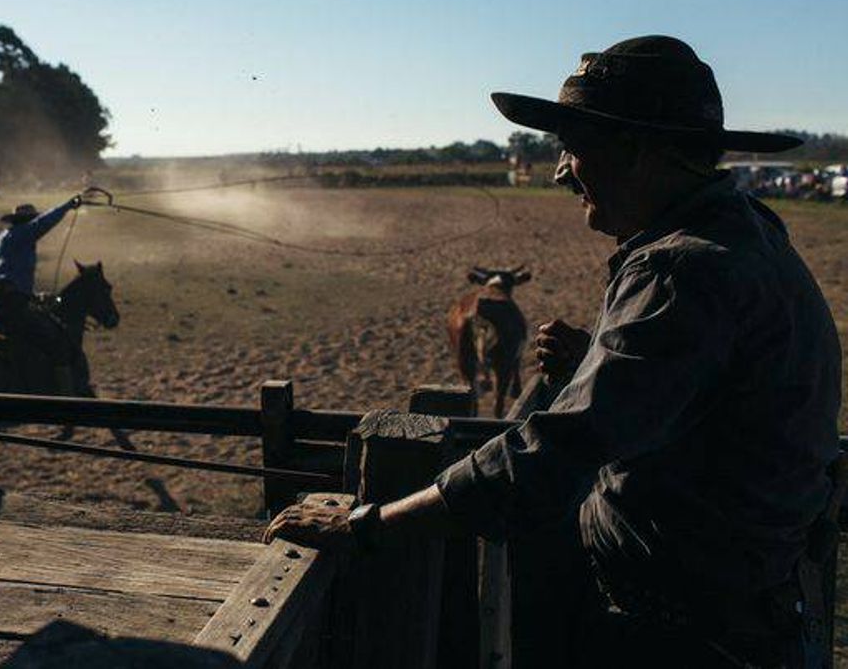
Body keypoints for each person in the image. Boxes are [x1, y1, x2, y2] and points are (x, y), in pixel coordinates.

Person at [266, 36, 841, 667]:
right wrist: (602, 361)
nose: (563, 171)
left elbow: (553, 456)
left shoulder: (680, 271)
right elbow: (709, 398)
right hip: (742, 612)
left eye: (573, 146)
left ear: (637, 150)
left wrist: (368, 525)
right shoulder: (742, 231)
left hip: (679, 638)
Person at [0, 195, 83, 393]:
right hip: (12, 304)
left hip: (0, 302)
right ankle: (67, 400)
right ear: (27, 222)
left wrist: (33, 297)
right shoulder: (24, 233)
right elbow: (44, 222)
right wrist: (68, 205)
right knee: (56, 342)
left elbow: (13, 276)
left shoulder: (6, 238)